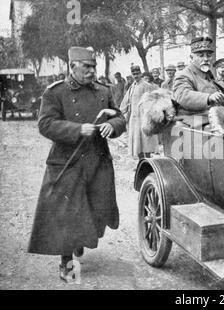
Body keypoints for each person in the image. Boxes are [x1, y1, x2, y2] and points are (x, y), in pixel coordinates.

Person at [28, 46, 126, 282]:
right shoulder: (55, 92)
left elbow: (120, 117)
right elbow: (45, 124)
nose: (92, 71)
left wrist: (113, 126)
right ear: (72, 67)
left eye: (94, 67)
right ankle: (67, 261)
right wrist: (76, 129)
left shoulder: (104, 91)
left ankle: (80, 238)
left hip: (97, 161)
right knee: (67, 213)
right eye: (87, 67)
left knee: (95, 208)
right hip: (67, 162)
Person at [172, 36, 224, 115]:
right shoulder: (184, 75)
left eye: (208, 55)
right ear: (192, 57)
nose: (206, 59)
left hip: (213, 115)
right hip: (193, 118)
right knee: (214, 127)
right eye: (201, 55)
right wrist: (208, 98)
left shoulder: (209, 76)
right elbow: (183, 96)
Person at [120, 65, 159, 159]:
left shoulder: (146, 85)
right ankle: (141, 162)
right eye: (134, 74)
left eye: (137, 74)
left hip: (144, 118)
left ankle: (149, 163)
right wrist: (120, 112)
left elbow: (154, 99)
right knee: (137, 143)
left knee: (146, 142)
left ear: (141, 74)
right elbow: (126, 101)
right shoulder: (132, 86)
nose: (136, 76)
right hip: (134, 118)